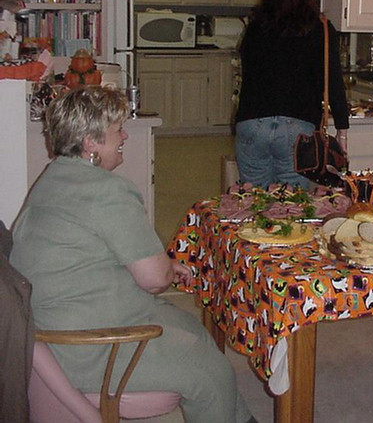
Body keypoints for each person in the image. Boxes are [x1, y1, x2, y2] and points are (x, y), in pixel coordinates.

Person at [10, 87, 254, 423]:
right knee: (212, 374)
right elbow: (153, 281)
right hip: (91, 347)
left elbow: (92, 250)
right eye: (116, 130)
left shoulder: (53, 177)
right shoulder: (107, 191)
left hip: (60, 329)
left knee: (192, 329)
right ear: (90, 143)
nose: (125, 135)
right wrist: (164, 271)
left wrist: (165, 264)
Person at [235, 0, 350, 189]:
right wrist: (342, 131)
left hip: (252, 121)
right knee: (292, 207)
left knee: (254, 202)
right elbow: (333, 82)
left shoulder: (255, 28)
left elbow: (249, 74)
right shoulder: (321, 29)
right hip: (297, 125)